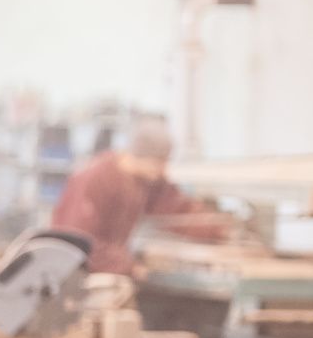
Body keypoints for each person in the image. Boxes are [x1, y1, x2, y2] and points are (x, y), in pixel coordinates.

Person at [50, 115, 222, 275]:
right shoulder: (95, 178)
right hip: (77, 273)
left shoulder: (147, 180)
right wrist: (127, 266)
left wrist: (218, 228)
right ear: (138, 155)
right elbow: (77, 241)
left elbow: (178, 209)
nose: (162, 170)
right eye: (158, 162)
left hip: (110, 268)